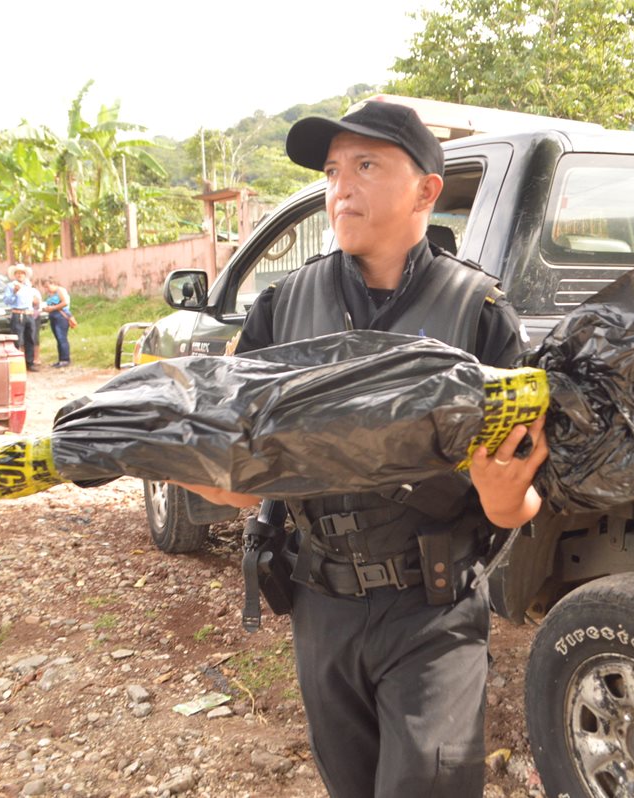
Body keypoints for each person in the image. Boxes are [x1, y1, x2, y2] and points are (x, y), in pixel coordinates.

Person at [177, 102, 548, 798]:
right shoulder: (282, 310)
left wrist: (505, 498)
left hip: (431, 612)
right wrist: (212, 478)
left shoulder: (480, 314)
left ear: (426, 191)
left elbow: (521, 497)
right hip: (321, 607)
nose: (339, 188)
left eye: (367, 166)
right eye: (331, 170)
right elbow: (237, 463)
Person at [3, 263, 38, 370]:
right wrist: (14, 292)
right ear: (14, 275)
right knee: (18, 340)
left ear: (25, 274)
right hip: (18, 314)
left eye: (22, 273)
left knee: (31, 339)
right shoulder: (11, 286)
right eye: (18, 273)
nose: (20, 275)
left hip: (29, 314)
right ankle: (16, 364)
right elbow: (7, 301)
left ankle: (30, 363)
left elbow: (33, 300)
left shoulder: (28, 285)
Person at [41, 276, 73, 368]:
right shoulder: (50, 294)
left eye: (47, 286)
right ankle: (60, 359)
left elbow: (65, 303)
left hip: (61, 316)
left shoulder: (60, 291)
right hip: (53, 315)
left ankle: (65, 359)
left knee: (62, 337)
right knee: (58, 338)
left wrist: (53, 308)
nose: (46, 289)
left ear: (53, 284)